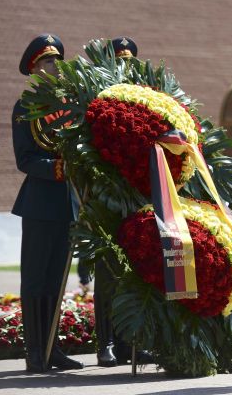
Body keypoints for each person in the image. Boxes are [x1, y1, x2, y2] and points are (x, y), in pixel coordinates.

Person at [13, 34, 84, 372]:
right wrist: (59, 168)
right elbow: (25, 159)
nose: (55, 66)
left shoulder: (67, 106)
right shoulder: (25, 107)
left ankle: (52, 348)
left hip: (65, 204)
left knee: (56, 280)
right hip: (39, 202)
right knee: (36, 279)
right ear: (34, 68)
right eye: (47, 61)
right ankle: (35, 353)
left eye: (57, 61)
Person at [91, 36, 153, 367]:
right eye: (120, 63)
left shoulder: (143, 103)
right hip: (106, 196)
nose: (125, 70)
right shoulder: (98, 99)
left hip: (137, 196)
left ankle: (133, 341)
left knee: (136, 268)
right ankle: (107, 343)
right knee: (107, 272)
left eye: (130, 64)